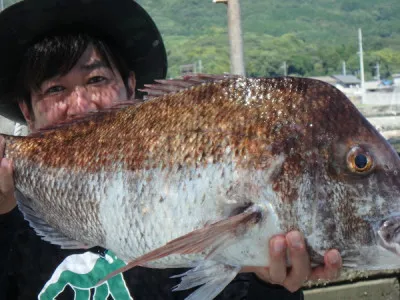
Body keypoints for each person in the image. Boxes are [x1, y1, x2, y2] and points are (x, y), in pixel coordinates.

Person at [0, 0, 342, 299]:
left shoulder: (187, 200)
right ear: (27, 112)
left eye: (96, 80)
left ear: (131, 89)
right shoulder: (10, 216)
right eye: (56, 88)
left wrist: (267, 279)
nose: (82, 104)